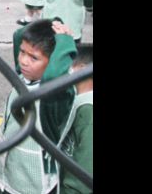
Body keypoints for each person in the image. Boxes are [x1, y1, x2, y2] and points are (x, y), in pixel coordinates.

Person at [0, 19, 77, 194]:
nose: (24, 61)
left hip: (37, 185)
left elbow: (54, 75)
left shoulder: (55, 95)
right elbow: (19, 35)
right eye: (22, 52)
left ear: (53, 60)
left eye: (34, 57)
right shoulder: (23, 77)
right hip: (8, 177)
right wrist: (53, 22)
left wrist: (65, 40)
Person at [58, 43, 93, 194]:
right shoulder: (74, 99)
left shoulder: (88, 111)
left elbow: (83, 177)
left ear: (83, 70)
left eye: (69, 66)